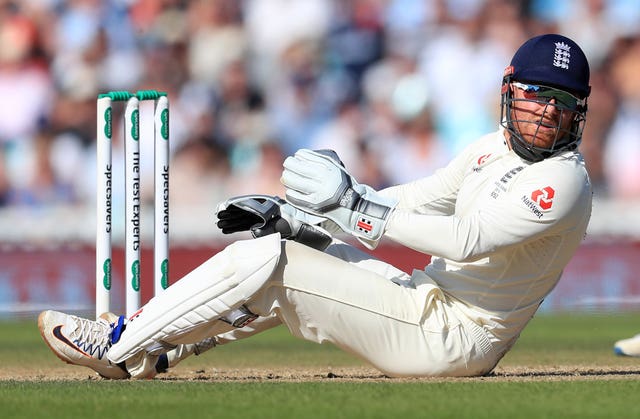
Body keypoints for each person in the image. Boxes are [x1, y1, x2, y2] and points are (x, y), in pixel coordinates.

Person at [38, 33, 593, 379]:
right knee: (287, 243)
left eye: (563, 102)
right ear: (509, 90)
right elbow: (421, 198)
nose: (547, 111)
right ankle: (156, 351)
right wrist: (307, 215)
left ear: (578, 115)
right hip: (428, 302)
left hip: (454, 339)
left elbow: (466, 238)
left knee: (275, 261)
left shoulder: (563, 181)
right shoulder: (491, 147)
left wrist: (352, 206)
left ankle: (117, 345)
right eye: (536, 95)